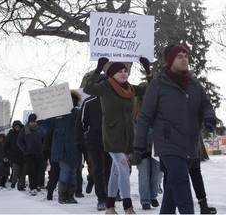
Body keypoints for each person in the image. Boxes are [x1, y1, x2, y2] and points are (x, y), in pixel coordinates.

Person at [134, 44, 217, 214]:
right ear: (170, 60)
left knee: (173, 186)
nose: (184, 59)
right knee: (181, 182)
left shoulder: (194, 84)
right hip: (167, 143)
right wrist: (139, 143)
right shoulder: (158, 84)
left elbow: (205, 104)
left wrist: (209, 117)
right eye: (179, 56)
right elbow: (145, 116)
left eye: (186, 55)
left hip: (189, 143)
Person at [83, 58, 147, 214]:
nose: (124, 73)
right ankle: (127, 206)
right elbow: (88, 88)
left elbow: (149, 89)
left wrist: (148, 70)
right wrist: (98, 68)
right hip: (111, 135)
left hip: (126, 136)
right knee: (124, 167)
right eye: (120, 71)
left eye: (125, 71)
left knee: (116, 172)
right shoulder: (105, 87)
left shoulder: (130, 89)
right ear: (112, 74)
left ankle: (109, 206)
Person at [75, 74, 112, 211]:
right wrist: (80, 139)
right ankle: (101, 198)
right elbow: (81, 122)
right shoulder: (89, 102)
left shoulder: (114, 100)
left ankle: (110, 196)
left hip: (112, 140)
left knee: (110, 170)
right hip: (94, 140)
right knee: (99, 169)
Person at [43, 90, 82, 204]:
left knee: (73, 174)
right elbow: (46, 126)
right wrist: (37, 117)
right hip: (60, 150)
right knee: (65, 171)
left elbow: (85, 125)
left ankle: (70, 196)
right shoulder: (57, 116)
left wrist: (77, 117)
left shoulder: (78, 113)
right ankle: (62, 195)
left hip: (74, 149)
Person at [132, 82, 163, 210]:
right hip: (141, 147)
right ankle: (145, 200)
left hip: (157, 146)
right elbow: (133, 128)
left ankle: (153, 196)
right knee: (144, 175)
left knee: (157, 174)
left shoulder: (158, 106)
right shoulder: (135, 109)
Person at [18, 113, 45, 196]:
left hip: (39, 154)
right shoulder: (25, 129)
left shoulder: (40, 130)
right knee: (31, 171)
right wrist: (24, 149)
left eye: (34, 122)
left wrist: (43, 149)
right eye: (31, 122)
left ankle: (36, 185)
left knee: (38, 171)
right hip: (29, 154)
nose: (33, 123)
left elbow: (44, 140)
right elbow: (19, 141)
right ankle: (32, 187)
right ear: (29, 122)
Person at [4, 120, 26, 191]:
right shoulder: (10, 134)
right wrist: (5, 155)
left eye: (18, 127)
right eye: (16, 127)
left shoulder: (24, 132)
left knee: (23, 172)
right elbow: (6, 145)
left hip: (23, 155)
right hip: (14, 156)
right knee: (15, 171)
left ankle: (21, 186)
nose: (17, 128)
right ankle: (13, 184)